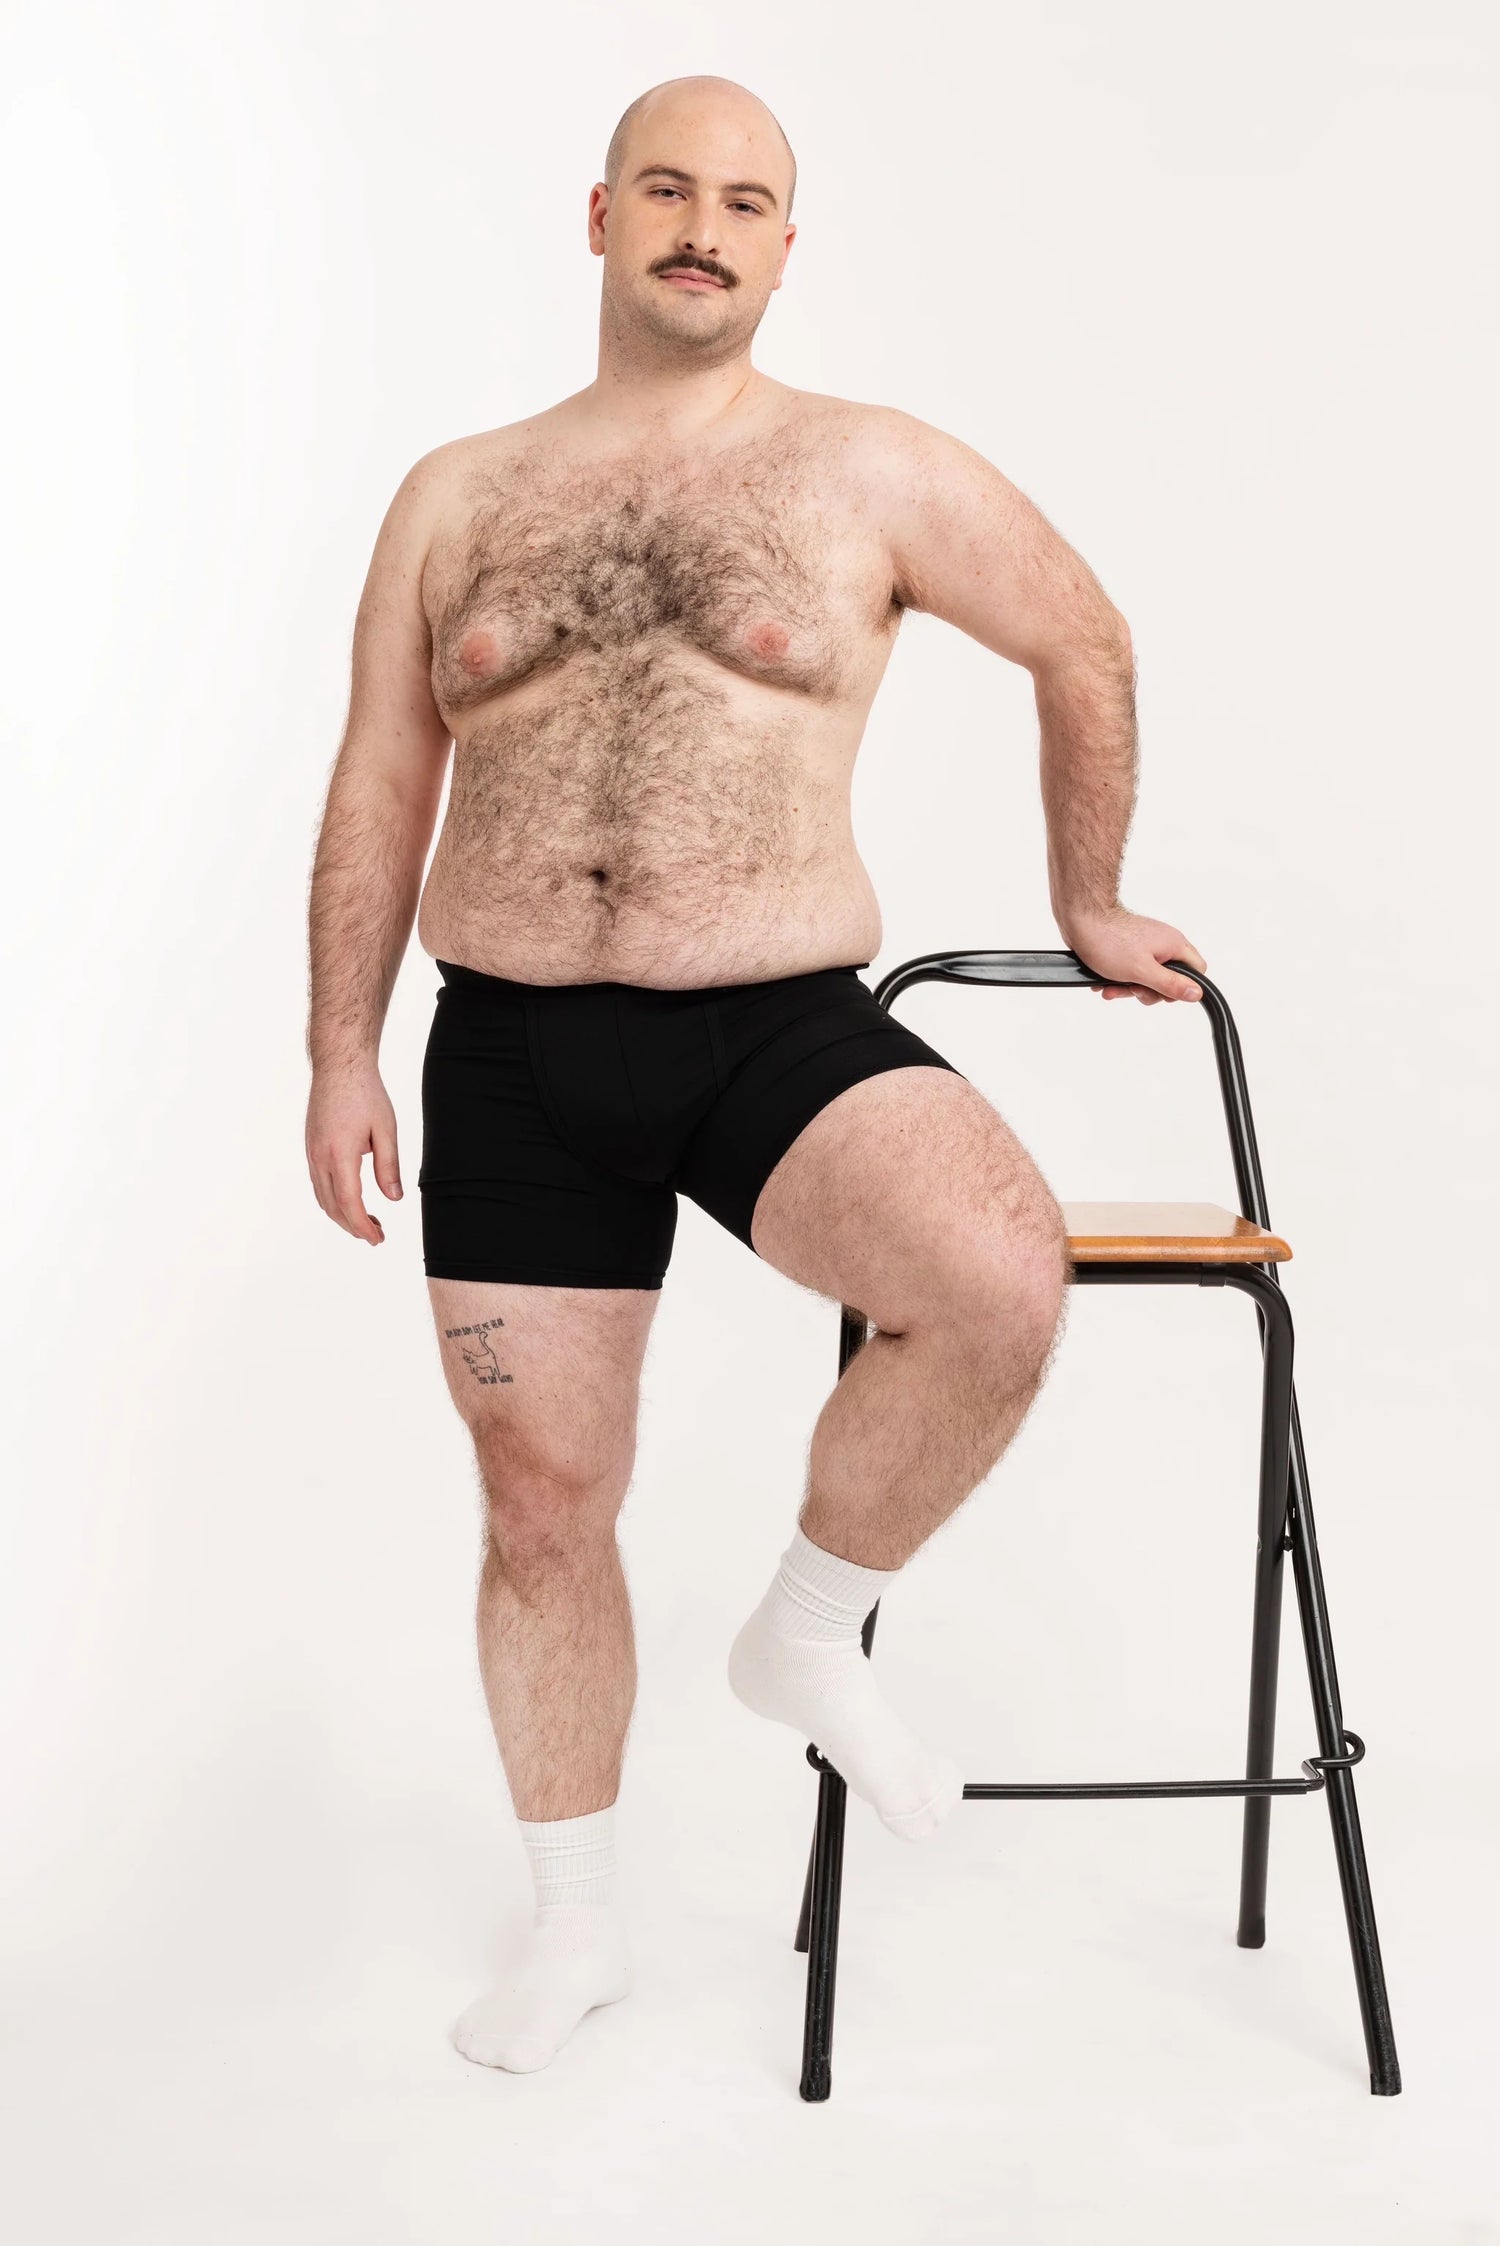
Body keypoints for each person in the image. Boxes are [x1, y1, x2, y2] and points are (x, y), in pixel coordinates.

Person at [304, 74, 1207, 2076]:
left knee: (996, 1276)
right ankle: (576, 1923)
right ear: (599, 215)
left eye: (743, 201)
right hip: (509, 1044)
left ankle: (803, 1631)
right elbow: (382, 769)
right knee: (544, 1503)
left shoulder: (866, 465)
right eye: (667, 190)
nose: (702, 227)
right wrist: (337, 1045)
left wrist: (1088, 897)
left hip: (768, 1021)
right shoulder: (458, 493)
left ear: (789, 246)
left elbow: (1086, 640)